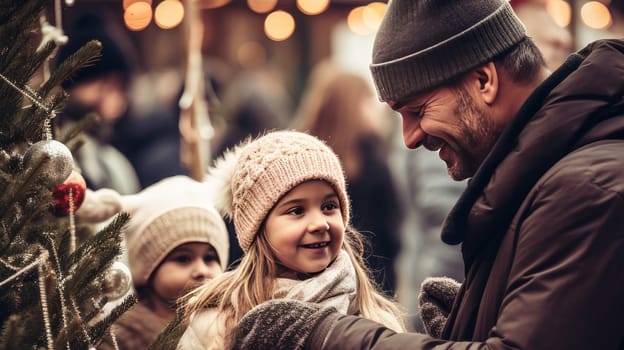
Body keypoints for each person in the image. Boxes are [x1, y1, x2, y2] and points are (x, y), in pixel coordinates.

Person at [231, 0, 624, 349]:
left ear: (484, 81)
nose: (409, 138)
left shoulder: (586, 189)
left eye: (418, 111)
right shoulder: (557, 177)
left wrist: (325, 335)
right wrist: (475, 318)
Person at [176, 130, 406, 349]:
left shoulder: (374, 319)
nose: (320, 223)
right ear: (258, 228)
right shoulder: (219, 327)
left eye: (329, 206)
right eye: (296, 211)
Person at [292, 60, 404, 295]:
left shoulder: (298, 158)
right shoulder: (371, 161)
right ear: (352, 107)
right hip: (369, 284)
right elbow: (389, 235)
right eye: (367, 101)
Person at [97, 175, 230, 350]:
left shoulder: (227, 325)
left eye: (209, 258)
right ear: (147, 270)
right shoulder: (120, 336)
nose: (201, 270)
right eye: (183, 259)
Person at [55, 11, 141, 195]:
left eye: (120, 87)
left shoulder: (114, 153)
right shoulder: (56, 152)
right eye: (105, 85)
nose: (115, 98)